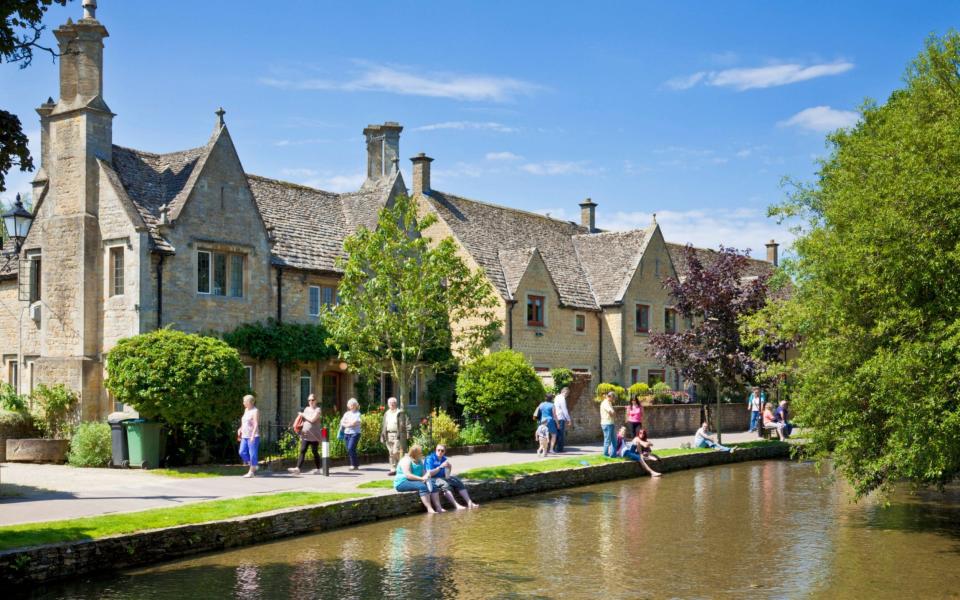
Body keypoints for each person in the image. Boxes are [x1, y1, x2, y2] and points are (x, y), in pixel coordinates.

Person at [424, 444, 479, 509]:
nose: (440, 452)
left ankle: (469, 502)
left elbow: (447, 476)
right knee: (445, 485)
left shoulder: (444, 459)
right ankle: (456, 505)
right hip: (433, 478)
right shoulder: (430, 458)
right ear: (435, 450)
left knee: (458, 482)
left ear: (444, 452)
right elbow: (429, 473)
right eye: (438, 450)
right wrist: (440, 467)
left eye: (442, 451)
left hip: (443, 477)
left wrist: (449, 468)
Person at [393, 445, 443, 513]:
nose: (422, 454)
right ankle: (430, 509)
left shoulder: (419, 460)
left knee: (433, 485)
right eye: (420, 452)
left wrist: (427, 476)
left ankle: (438, 507)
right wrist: (422, 479)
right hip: (402, 482)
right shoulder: (406, 460)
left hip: (416, 480)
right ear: (415, 453)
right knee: (422, 486)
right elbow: (408, 475)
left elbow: (423, 473)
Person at [288, 394, 322, 475]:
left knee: (315, 452)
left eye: (312, 400)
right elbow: (304, 420)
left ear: (316, 401)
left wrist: (303, 414)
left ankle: (318, 469)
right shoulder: (306, 409)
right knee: (302, 450)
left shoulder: (318, 410)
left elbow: (312, 420)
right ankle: (298, 468)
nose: (310, 402)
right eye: (309, 400)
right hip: (305, 434)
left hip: (314, 435)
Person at [380, 397, 410, 476]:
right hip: (388, 434)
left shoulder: (400, 412)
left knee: (395, 451)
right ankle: (393, 469)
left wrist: (408, 433)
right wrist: (382, 434)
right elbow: (384, 425)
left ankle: (400, 467)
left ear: (396, 403)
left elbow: (407, 422)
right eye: (390, 403)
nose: (391, 404)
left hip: (398, 435)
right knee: (391, 453)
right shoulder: (386, 413)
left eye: (393, 402)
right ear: (388, 404)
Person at [238, 395, 260, 478]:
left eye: (244, 401)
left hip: (253, 436)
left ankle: (251, 472)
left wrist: (253, 435)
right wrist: (240, 428)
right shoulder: (246, 410)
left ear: (249, 402)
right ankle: (253, 465)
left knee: (252, 454)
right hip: (244, 435)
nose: (243, 403)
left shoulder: (255, 411)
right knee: (242, 452)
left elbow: (256, 424)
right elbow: (244, 421)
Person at [340, 398, 362, 470]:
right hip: (347, 433)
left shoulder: (358, 414)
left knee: (350, 448)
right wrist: (348, 424)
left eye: (353, 404)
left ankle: (353, 464)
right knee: (350, 449)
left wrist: (347, 424)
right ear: (348, 406)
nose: (352, 406)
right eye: (350, 405)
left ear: (356, 405)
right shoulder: (346, 414)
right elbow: (342, 422)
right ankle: (356, 464)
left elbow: (354, 423)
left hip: (355, 433)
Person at [553, 387, 571, 452]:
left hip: (555, 417)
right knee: (560, 433)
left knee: (556, 433)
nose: (567, 395)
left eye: (567, 394)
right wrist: (568, 419)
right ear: (563, 392)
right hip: (560, 418)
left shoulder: (556, 397)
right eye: (566, 393)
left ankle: (554, 448)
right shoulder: (562, 398)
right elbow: (564, 409)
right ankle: (560, 449)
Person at [600, 391, 618, 457]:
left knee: (614, 440)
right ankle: (605, 454)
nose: (613, 399)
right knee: (607, 440)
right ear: (609, 396)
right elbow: (611, 412)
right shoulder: (605, 403)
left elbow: (612, 413)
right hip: (607, 423)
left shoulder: (609, 402)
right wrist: (613, 414)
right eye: (613, 398)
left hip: (610, 423)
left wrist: (613, 414)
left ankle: (613, 454)